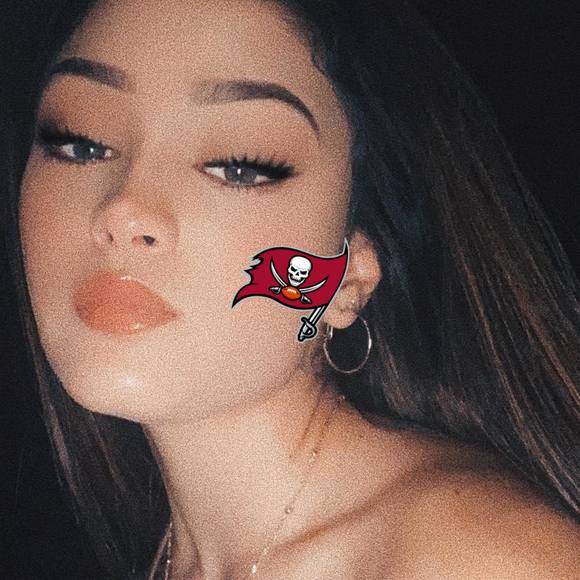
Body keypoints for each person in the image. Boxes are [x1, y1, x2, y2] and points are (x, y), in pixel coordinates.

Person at [3, 0, 579, 578]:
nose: (124, 210)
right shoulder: (165, 554)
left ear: (349, 277)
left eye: (238, 165)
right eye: (80, 142)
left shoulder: (483, 561)